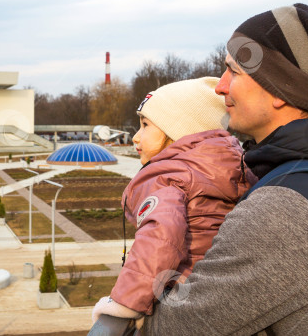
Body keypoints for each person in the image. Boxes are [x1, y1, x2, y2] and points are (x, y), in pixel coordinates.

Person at [141, 3, 308, 335]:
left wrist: (142, 279)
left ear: (279, 89)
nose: (220, 86)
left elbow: (173, 330)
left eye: (234, 72)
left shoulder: (286, 209)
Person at [91, 77, 254, 325]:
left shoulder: (167, 177)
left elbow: (161, 236)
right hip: (226, 294)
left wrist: (124, 303)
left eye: (145, 125)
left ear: (178, 132)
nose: (136, 137)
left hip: (184, 298)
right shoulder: (235, 165)